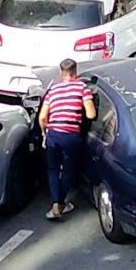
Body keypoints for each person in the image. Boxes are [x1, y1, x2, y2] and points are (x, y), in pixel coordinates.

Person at [39, 58, 96, 220]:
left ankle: (56, 203)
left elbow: (43, 117)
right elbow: (91, 114)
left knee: (52, 169)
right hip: (71, 135)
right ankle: (60, 204)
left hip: (53, 134)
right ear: (75, 72)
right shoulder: (82, 88)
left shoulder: (53, 90)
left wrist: (45, 133)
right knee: (69, 170)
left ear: (61, 72)